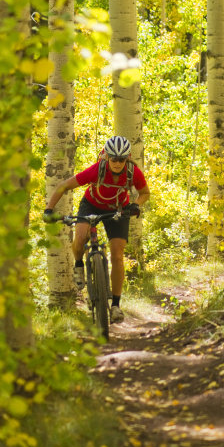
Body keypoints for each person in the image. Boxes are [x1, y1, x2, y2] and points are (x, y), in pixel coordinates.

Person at [43, 135, 150, 324]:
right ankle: (78, 264)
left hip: (119, 209)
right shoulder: (97, 170)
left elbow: (145, 193)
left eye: (122, 159)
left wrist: (135, 205)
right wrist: (49, 210)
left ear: (127, 158)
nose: (117, 163)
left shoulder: (133, 172)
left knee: (117, 255)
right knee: (80, 238)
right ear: (107, 157)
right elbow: (64, 186)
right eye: (114, 159)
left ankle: (115, 305)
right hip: (91, 205)